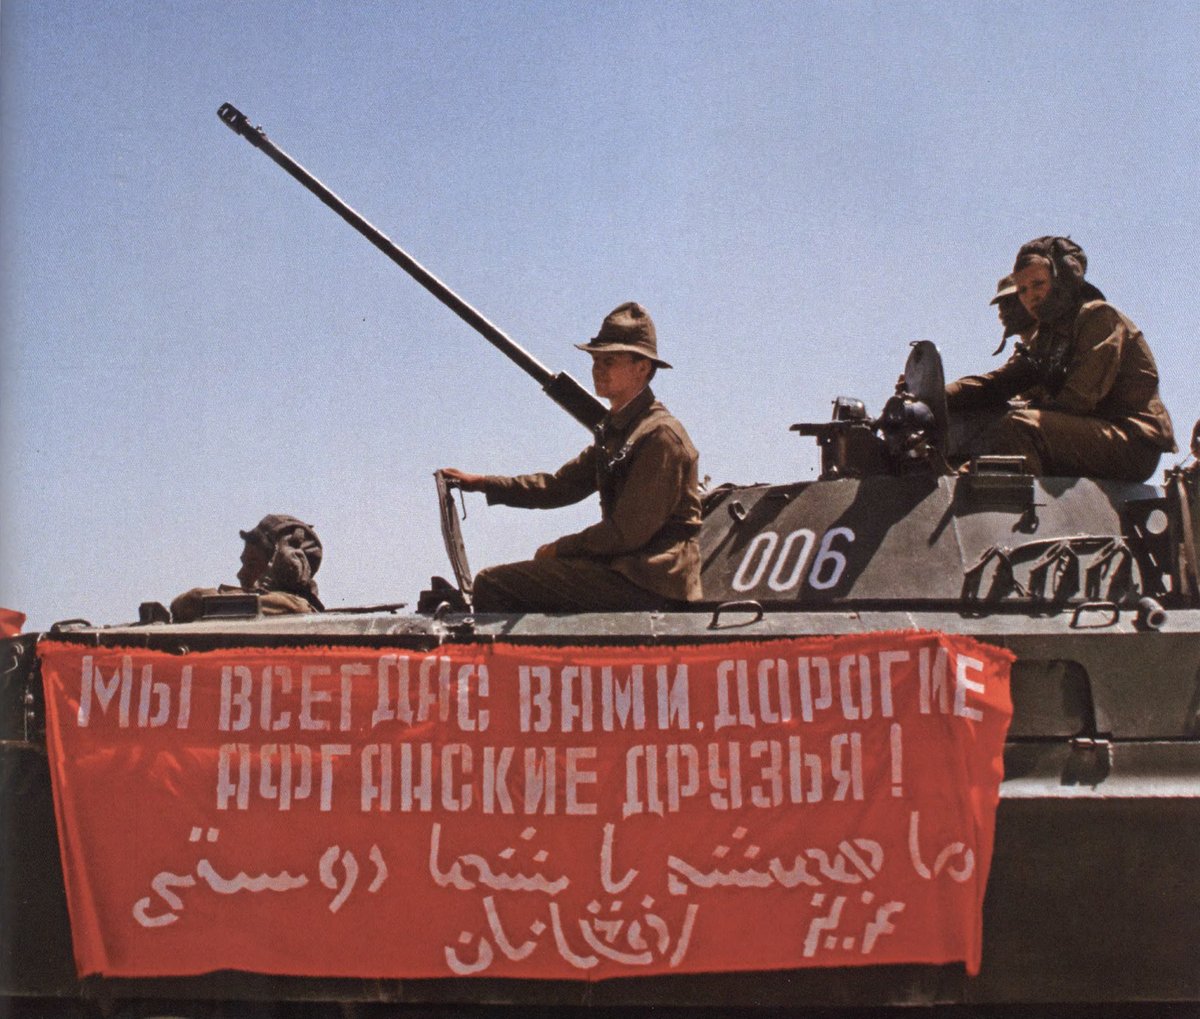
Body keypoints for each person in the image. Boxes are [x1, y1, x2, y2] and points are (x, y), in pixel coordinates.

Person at [443, 302, 702, 612]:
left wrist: (559, 549)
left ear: (642, 367)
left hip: (653, 582)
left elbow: (625, 533)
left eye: (610, 360)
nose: (598, 368)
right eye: (595, 359)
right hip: (630, 573)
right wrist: (484, 483)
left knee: (493, 585)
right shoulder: (619, 430)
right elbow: (559, 486)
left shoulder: (660, 437)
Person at [945, 236, 1175, 480]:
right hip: (1090, 433)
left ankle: (1007, 507)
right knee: (983, 417)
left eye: (1038, 284)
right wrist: (933, 397)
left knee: (1022, 427)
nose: (1029, 296)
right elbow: (995, 384)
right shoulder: (1046, 338)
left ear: (1061, 280)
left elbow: (1076, 401)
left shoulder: (1099, 318)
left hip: (1132, 443)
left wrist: (1016, 409)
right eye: (1022, 290)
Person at [170, 514, 325, 622]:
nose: (240, 574)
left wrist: (200, 598)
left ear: (286, 567)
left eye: (251, 564)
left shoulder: (296, 607)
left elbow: (195, 601)